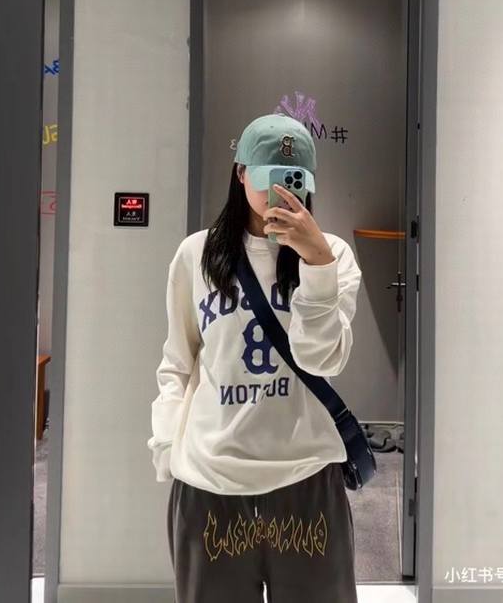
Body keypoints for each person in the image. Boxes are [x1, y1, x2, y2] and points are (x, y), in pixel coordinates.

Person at [147, 112, 363, 603]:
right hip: (210, 483)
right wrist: (168, 447)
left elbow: (323, 360)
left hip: (306, 479)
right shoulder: (196, 255)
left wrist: (317, 266)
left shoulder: (333, 255)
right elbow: (177, 361)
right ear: (241, 173)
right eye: (266, 177)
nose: (277, 192)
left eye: (292, 179)